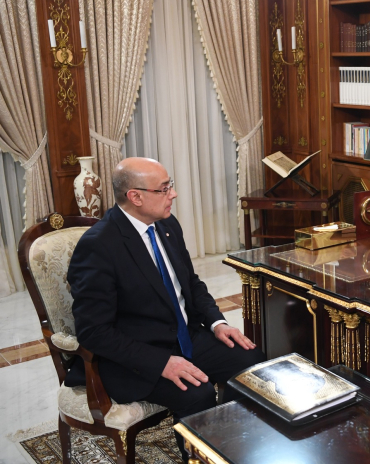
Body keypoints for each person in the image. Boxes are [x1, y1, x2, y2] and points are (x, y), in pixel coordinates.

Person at [66, 157, 264, 460]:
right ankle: (198, 457)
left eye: (170, 185)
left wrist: (217, 323)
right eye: (164, 189)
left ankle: (235, 447)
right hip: (136, 356)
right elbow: (94, 332)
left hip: (183, 337)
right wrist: (161, 363)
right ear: (135, 196)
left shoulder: (167, 224)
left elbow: (191, 284)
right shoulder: (99, 246)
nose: (173, 194)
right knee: (196, 393)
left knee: (251, 360)